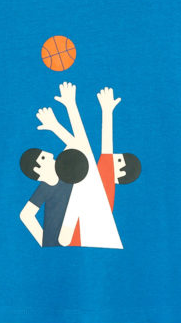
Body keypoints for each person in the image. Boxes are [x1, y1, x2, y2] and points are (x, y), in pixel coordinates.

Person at [36, 82, 123, 249]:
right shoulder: (94, 183)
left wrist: (69, 108)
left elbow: (83, 147)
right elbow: (86, 147)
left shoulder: (87, 184)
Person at [68, 87, 142, 246]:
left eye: (118, 159)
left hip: (77, 240)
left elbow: (98, 146)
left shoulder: (105, 181)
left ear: (120, 172)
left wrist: (107, 111)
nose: (113, 156)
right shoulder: (105, 186)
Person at [19, 147, 88, 247]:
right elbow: (26, 215)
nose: (50, 155)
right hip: (58, 244)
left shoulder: (67, 172)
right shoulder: (45, 187)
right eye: (43, 157)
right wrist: (46, 242)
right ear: (37, 170)